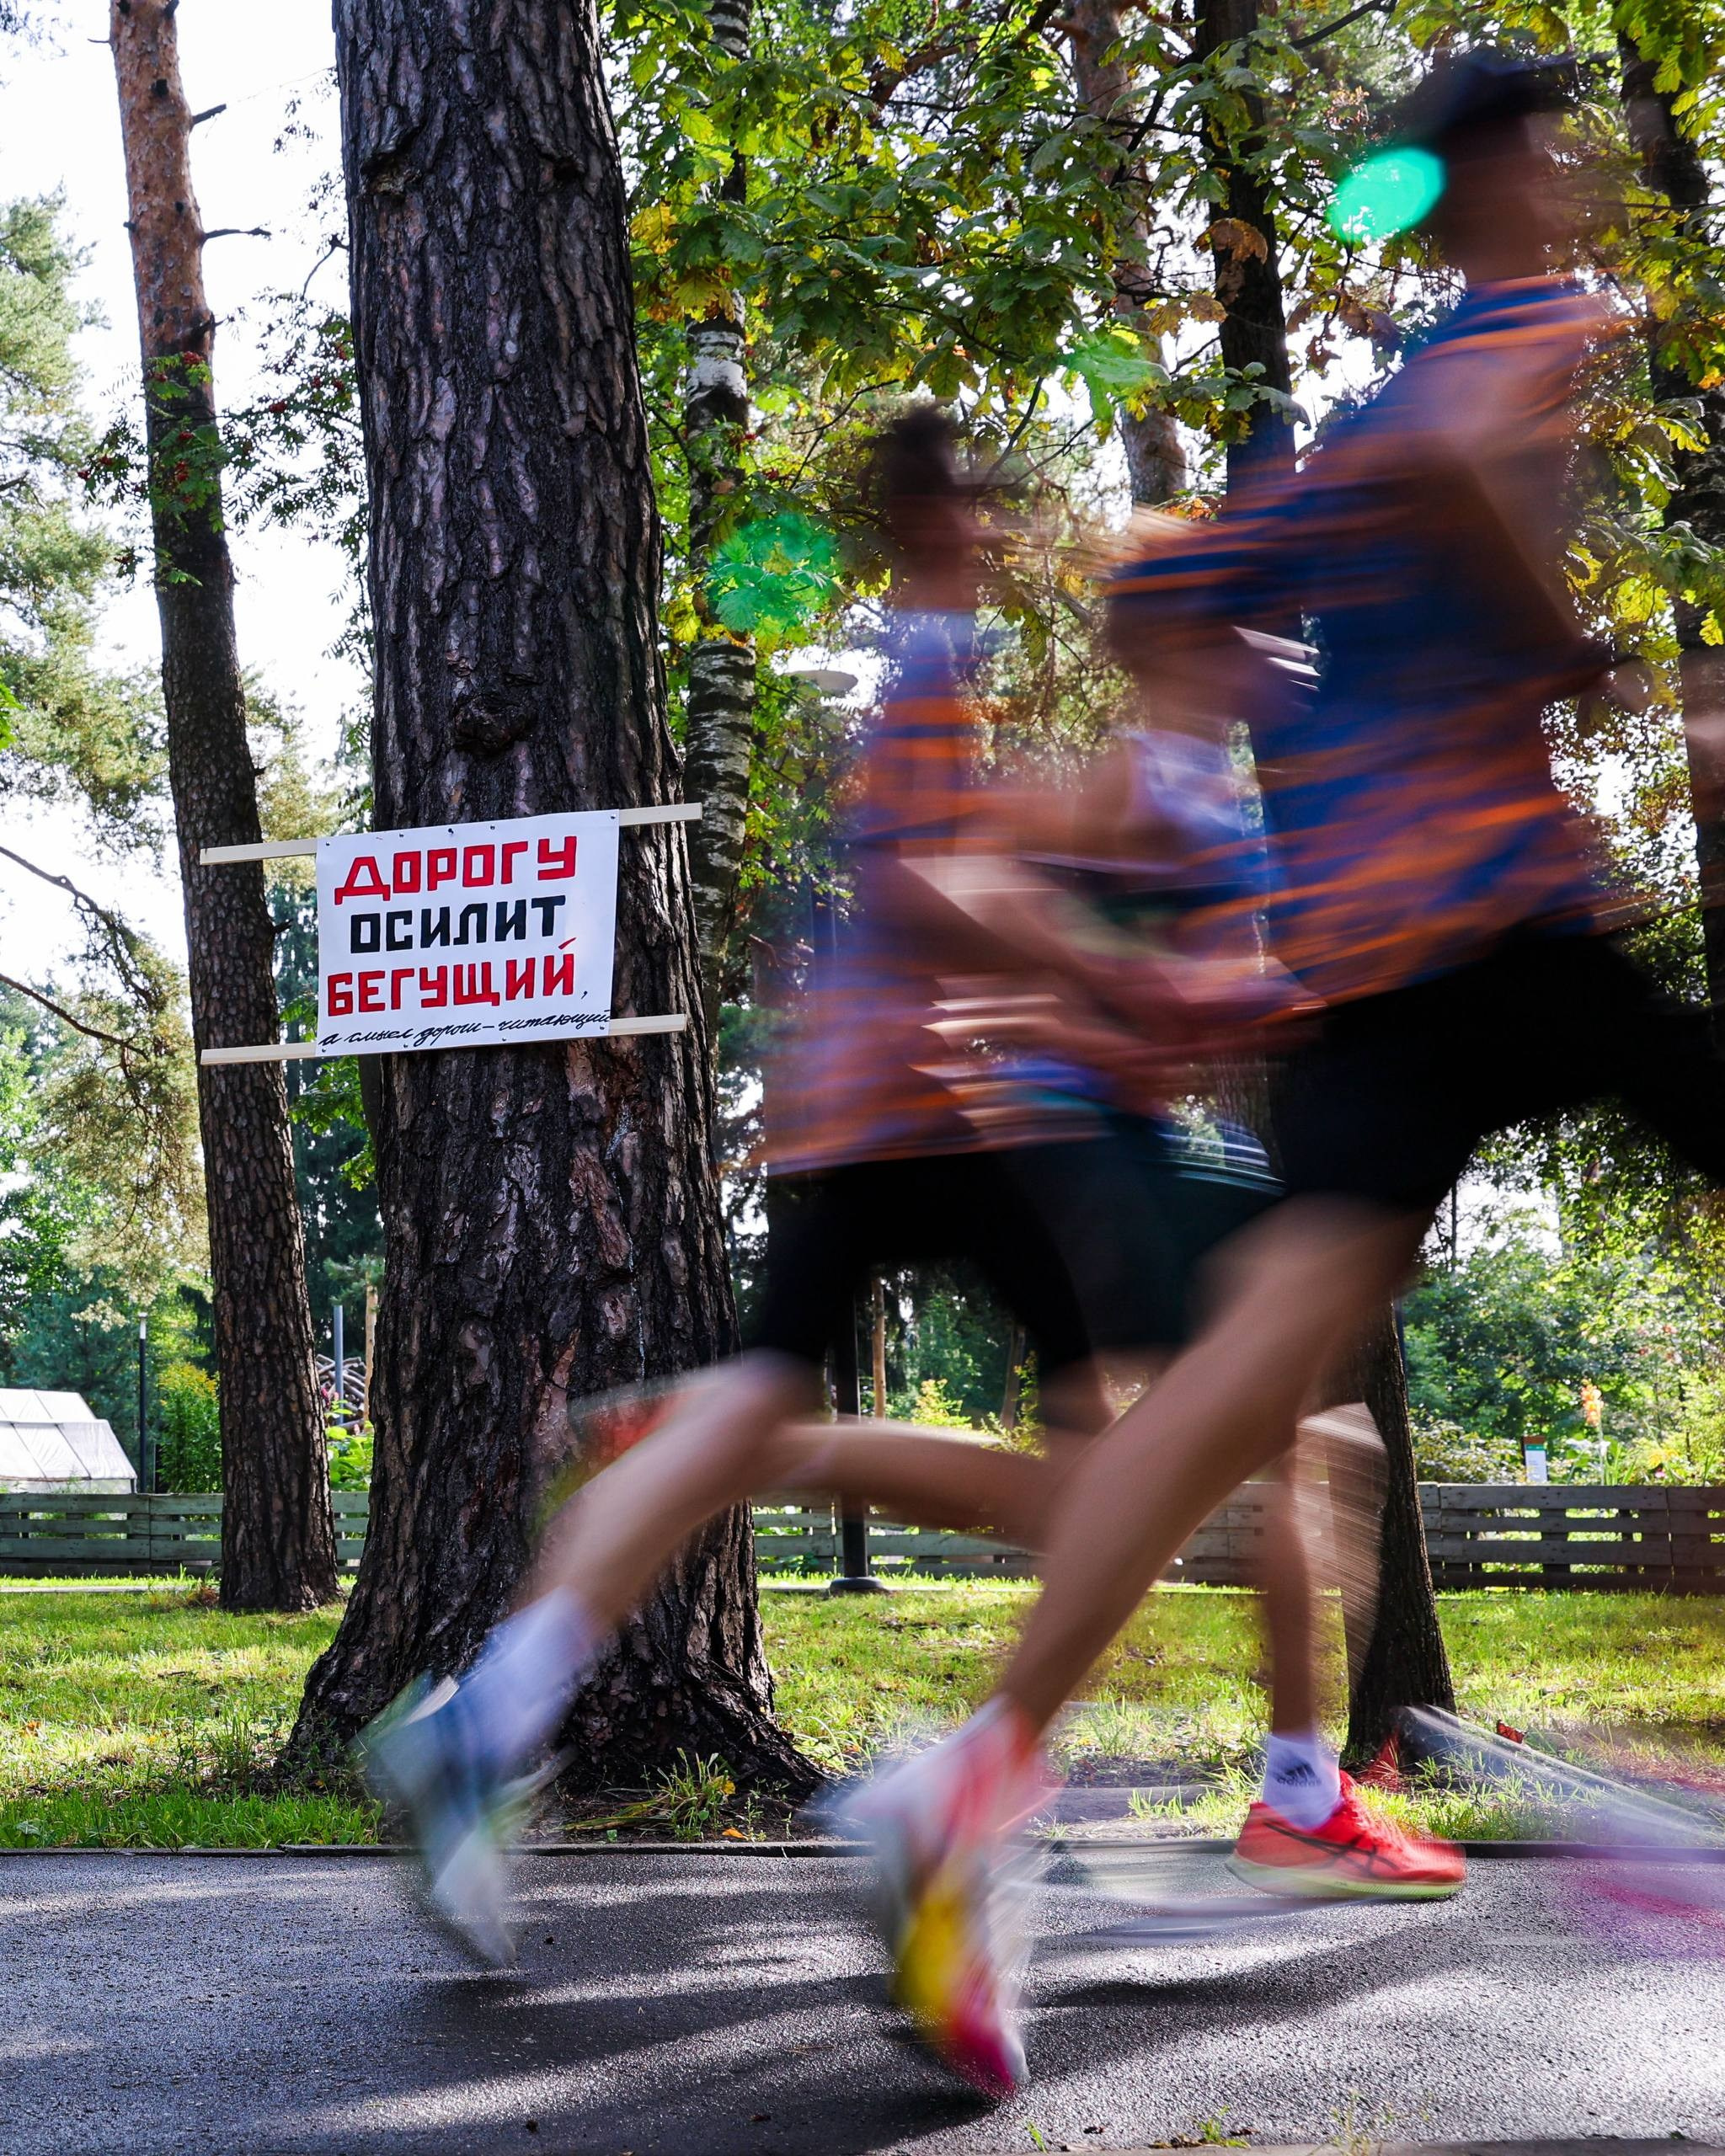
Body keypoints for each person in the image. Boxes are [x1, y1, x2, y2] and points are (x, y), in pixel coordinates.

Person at [849, 46, 1725, 2094]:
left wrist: (1264, 701)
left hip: (1362, 970)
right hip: (1498, 926)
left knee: (1259, 1382)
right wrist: (1573, 647)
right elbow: (1437, 473)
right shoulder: (1521, 333)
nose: (1588, 180)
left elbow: (1203, 584)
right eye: (1565, 147)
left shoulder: (1351, 409)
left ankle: (973, 1770)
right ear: (1504, 173)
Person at [361, 413, 1404, 2084]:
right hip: (933, 1108)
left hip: (920, 1107)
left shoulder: (949, 659)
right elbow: (934, 879)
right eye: (985, 504)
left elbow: (1006, 853)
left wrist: (1153, 951)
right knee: (1113, 1484)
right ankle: (962, 1812)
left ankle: (526, 1708)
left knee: (1035, 1471)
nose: (1002, 531)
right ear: (943, 514)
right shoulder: (929, 651)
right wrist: (1147, 980)